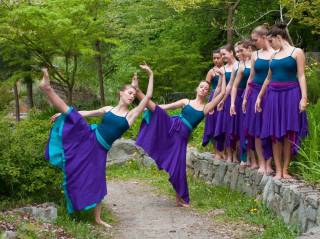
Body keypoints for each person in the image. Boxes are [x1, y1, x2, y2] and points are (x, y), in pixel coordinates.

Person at [40, 64, 154, 228]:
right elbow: (86, 113)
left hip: (100, 150)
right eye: (129, 92)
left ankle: (98, 219)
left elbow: (148, 96)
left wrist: (150, 74)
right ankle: (48, 88)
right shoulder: (108, 109)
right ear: (120, 93)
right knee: (72, 115)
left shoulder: (131, 115)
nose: (132, 96)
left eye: (134, 94)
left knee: (98, 181)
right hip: (89, 138)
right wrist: (63, 113)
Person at [134, 74, 225, 207]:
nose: (203, 90)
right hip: (172, 126)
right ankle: (137, 91)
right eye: (201, 87)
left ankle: (180, 198)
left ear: (207, 93)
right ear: (197, 88)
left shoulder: (206, 108)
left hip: (181, 137)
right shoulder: (186, 101)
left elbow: (222, 93)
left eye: (206, 89)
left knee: (179, 166)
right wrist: (152, 107)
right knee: (157, 111)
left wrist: (222, 77)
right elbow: (167, 107)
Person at [255, 22, 308, 179]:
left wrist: (304, 97)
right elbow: (268, 78)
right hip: (273, 95)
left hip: (291, 94)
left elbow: (301, 75)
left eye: (271, 41)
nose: (270, 44)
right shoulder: (274, 56)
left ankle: (285, 170)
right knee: (274, 133)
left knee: (288, 132)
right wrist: (259, 96)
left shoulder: (296, 52)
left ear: (279, 37)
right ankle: (278, 170)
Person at [242, 24, 275, 175]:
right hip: (255, 91)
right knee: (255, 128)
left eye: (255, 40)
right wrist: (245, 97)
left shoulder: (276, 53)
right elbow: (251, 76)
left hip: (271, 92)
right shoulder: (255, 55)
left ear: (264, 37)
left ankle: (269, 163)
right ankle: (261, 163)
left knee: (269, 128)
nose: (253, 42)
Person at [230, 40, 254, 167]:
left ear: (249, 48)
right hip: (243, 98)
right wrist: (232, 103)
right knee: (244, 128)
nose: (238, 53)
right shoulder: (241, 65)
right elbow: (234, 86)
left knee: (254, 127)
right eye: (237, 51)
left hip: (256, 95)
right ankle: (246, 157)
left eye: (240, 50)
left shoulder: (257, 60)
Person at [202, 49, 225, 160]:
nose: (215, 60)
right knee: (213, 124)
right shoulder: (211, 72)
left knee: (223, 124)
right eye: (214, 58)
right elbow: (205, 88)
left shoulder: (227, 69)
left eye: (218, 58)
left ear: (222, 57)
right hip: (213, 98)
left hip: (225, 97)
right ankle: (216, 151)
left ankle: (224, 150)